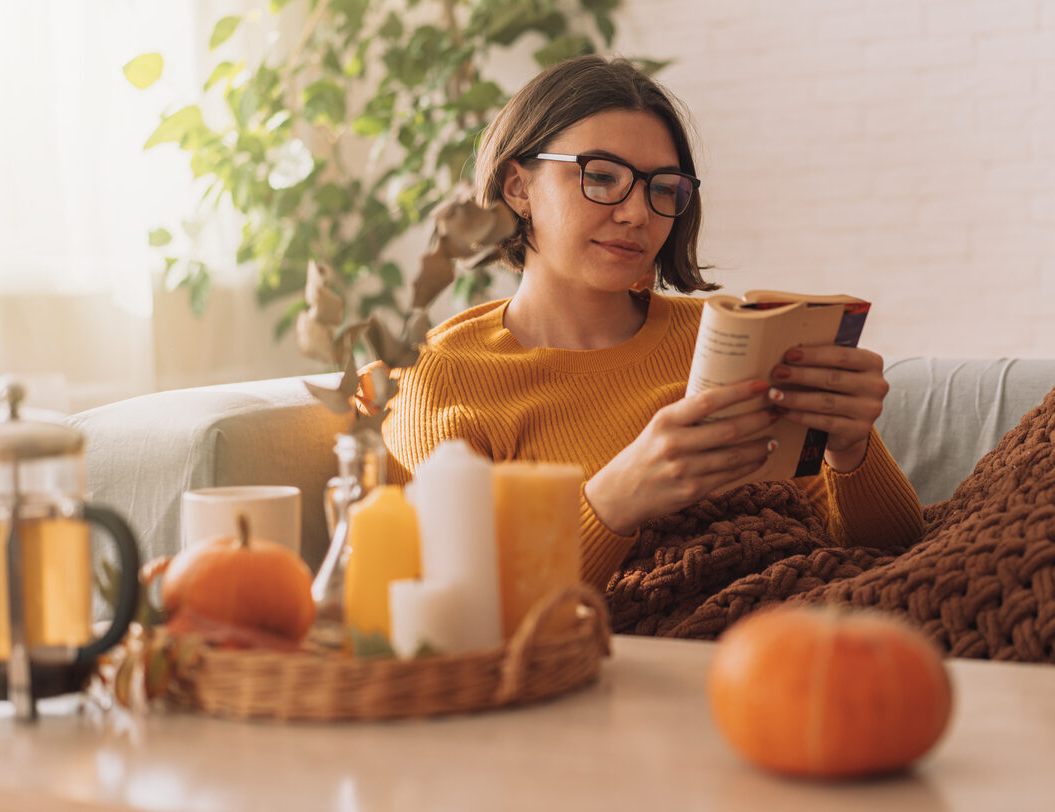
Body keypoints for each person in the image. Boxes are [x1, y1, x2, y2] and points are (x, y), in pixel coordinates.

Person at [382, 55, 923, 590]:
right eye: (601, 176)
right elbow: (448, 609)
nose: (638, 212)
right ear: (519, 189)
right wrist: (614, 500)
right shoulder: (440, 380)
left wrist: (851, 448)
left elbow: (895, 553)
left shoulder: (727, 338)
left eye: (663, 188)